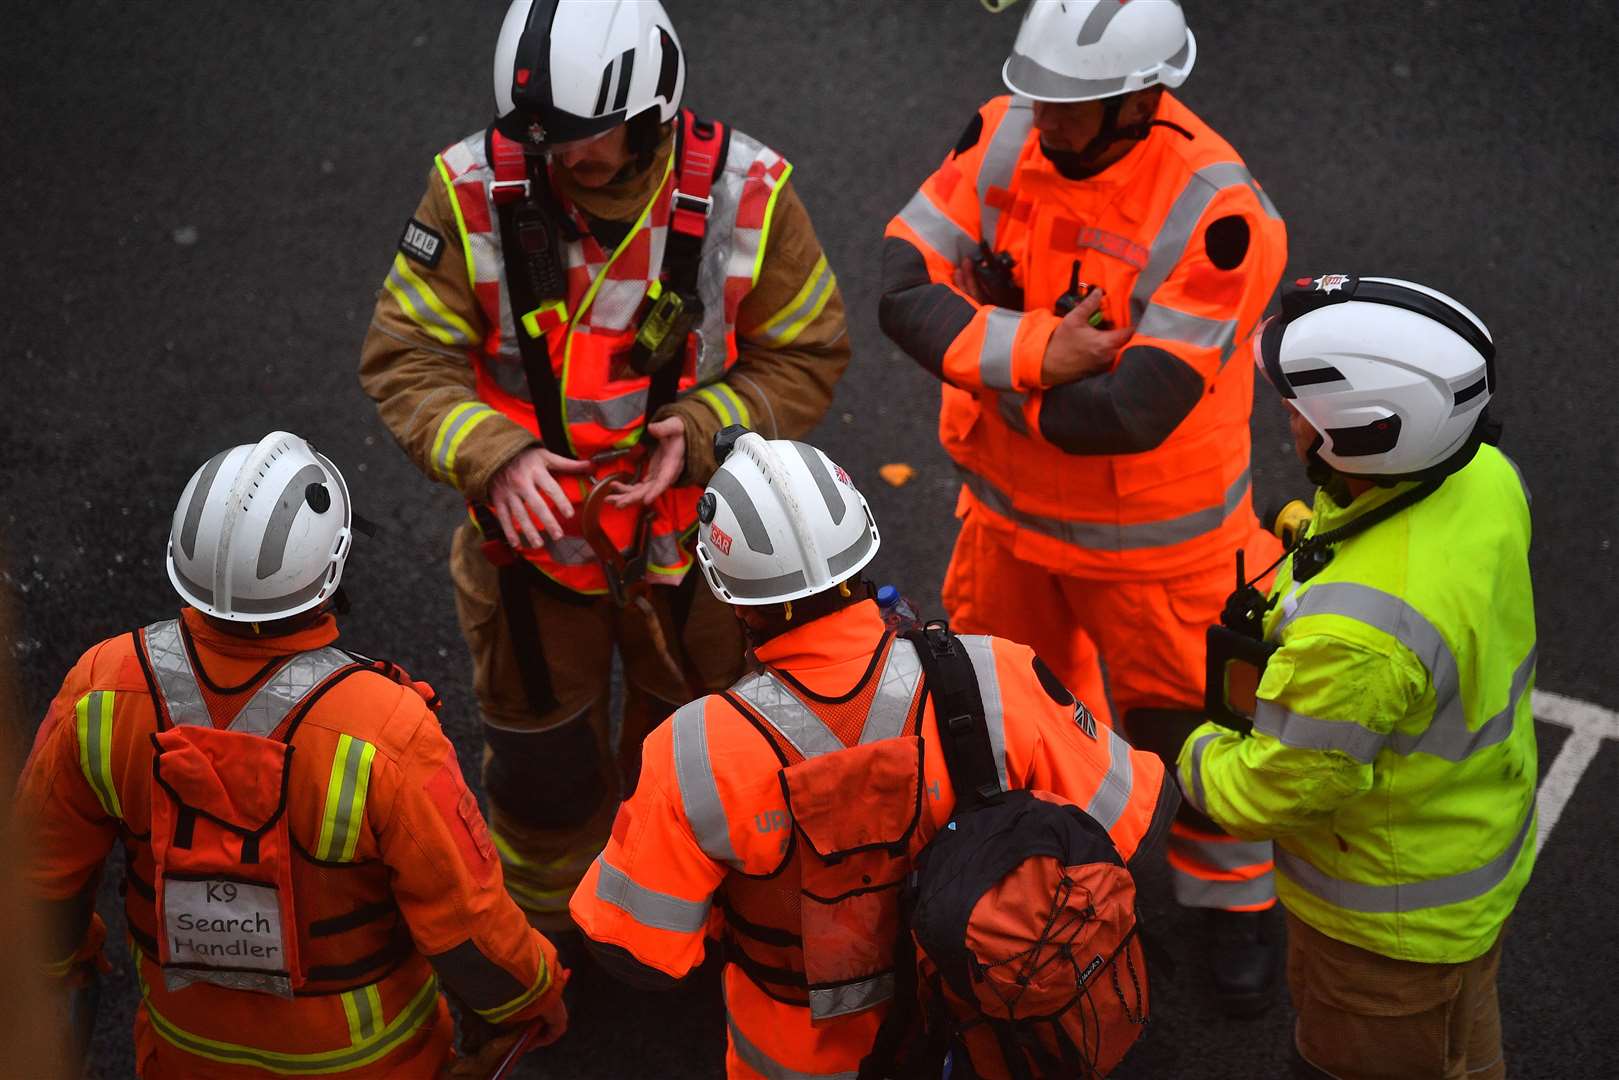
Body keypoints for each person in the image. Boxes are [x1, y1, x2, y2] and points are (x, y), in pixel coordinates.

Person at [358, 0, 849, 949]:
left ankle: (667, 941)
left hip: (703, 556)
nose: (557, 165)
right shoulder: (468, 190)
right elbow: (405, 353)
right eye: (537, 142)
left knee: (700, 769)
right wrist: (493, 458)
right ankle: (547, 943)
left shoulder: (753, 193)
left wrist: (706, 425)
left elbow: (805, 355)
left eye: (582, 143)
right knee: (541, 782)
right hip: (534, 552)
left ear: (655, 113)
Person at [878, 0, 1289, 1009]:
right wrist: (1033, 354)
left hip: (1161, 556)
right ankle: (1042, 882)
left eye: (1072, 105)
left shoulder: (1215, 213)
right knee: (993, 721)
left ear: (1144, 96)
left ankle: (1231, 906)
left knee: (1193, 737)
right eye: (1039, 96)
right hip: (1006, 529)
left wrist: (980, 362)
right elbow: (898, 285)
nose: (1044, 122)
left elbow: (1130, 411)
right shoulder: (1004, 130)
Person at [568, 429, 1177, 1079]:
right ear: (861, 547)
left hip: (795, 1061)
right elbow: (1136, 821)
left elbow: (635, 951)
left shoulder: (694, 750)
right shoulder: (993, 675)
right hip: (987, 1036)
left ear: (732, 595)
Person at [14, 433, 567, 1079]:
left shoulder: (102, 685)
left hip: (183, 1052)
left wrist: (61, 967)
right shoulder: (383, 728)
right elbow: (465, 924)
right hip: (373, 1062)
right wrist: (531, 1001)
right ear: (331, 565)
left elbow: (39, 874)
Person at [1178, 275, 1536, 1080]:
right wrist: (1311, 532)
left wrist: (1192, 750)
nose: (1289, 414)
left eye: (1302, 405)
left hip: (1382, 926)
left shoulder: (1357, 637)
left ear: (1373, 432)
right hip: (1465, 862)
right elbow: (1414, 558)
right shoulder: (1483, 479)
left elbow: (1276, 789)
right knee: (1465, 1054)